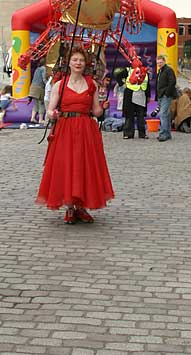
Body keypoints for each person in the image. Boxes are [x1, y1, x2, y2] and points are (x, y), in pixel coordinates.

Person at [36, 47, 114, 224]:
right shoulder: (60, 85)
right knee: (67, 165)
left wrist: (103, 108)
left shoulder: (91, 84)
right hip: (65, 129)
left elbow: (96, 111)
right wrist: (52, 114)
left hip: (86, 129)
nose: (78, 63)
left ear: (86, 63)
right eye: (75, 60)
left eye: (81, 60)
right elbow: (50, 109)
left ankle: (81, 207)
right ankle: (69, 207)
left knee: (84, 165)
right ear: (68, 63)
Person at [118, 61, 150, 139]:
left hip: (141, 95)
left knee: (141, 116)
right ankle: (128, 133)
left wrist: (148, 96)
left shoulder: (145, 72)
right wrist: (121, 84)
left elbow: (147, 84)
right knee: (129, 116)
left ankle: (142, 134)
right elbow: (117, 75)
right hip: (130, 95)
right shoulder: (127, 70)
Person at [156, 54, 177, 142]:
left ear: (164, 61)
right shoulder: (160, 71)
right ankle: (167, 133)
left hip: (165, 95)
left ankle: (163, 134)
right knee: (166, 115)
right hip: (161, 95)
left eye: (161, 62)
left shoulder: (168, 70)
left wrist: (166, 93)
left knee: (163, 114)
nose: (159, 64)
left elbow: (172, 82)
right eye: (158, 63)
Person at [28, 58, 47, 124]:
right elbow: (44, 79)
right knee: (41, 104)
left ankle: (32, 118)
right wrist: (48, 84)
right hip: (39, 88)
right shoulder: (43, 69)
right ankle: (40, 119)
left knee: (35, 104)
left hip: (32, 87)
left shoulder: (37, 69)